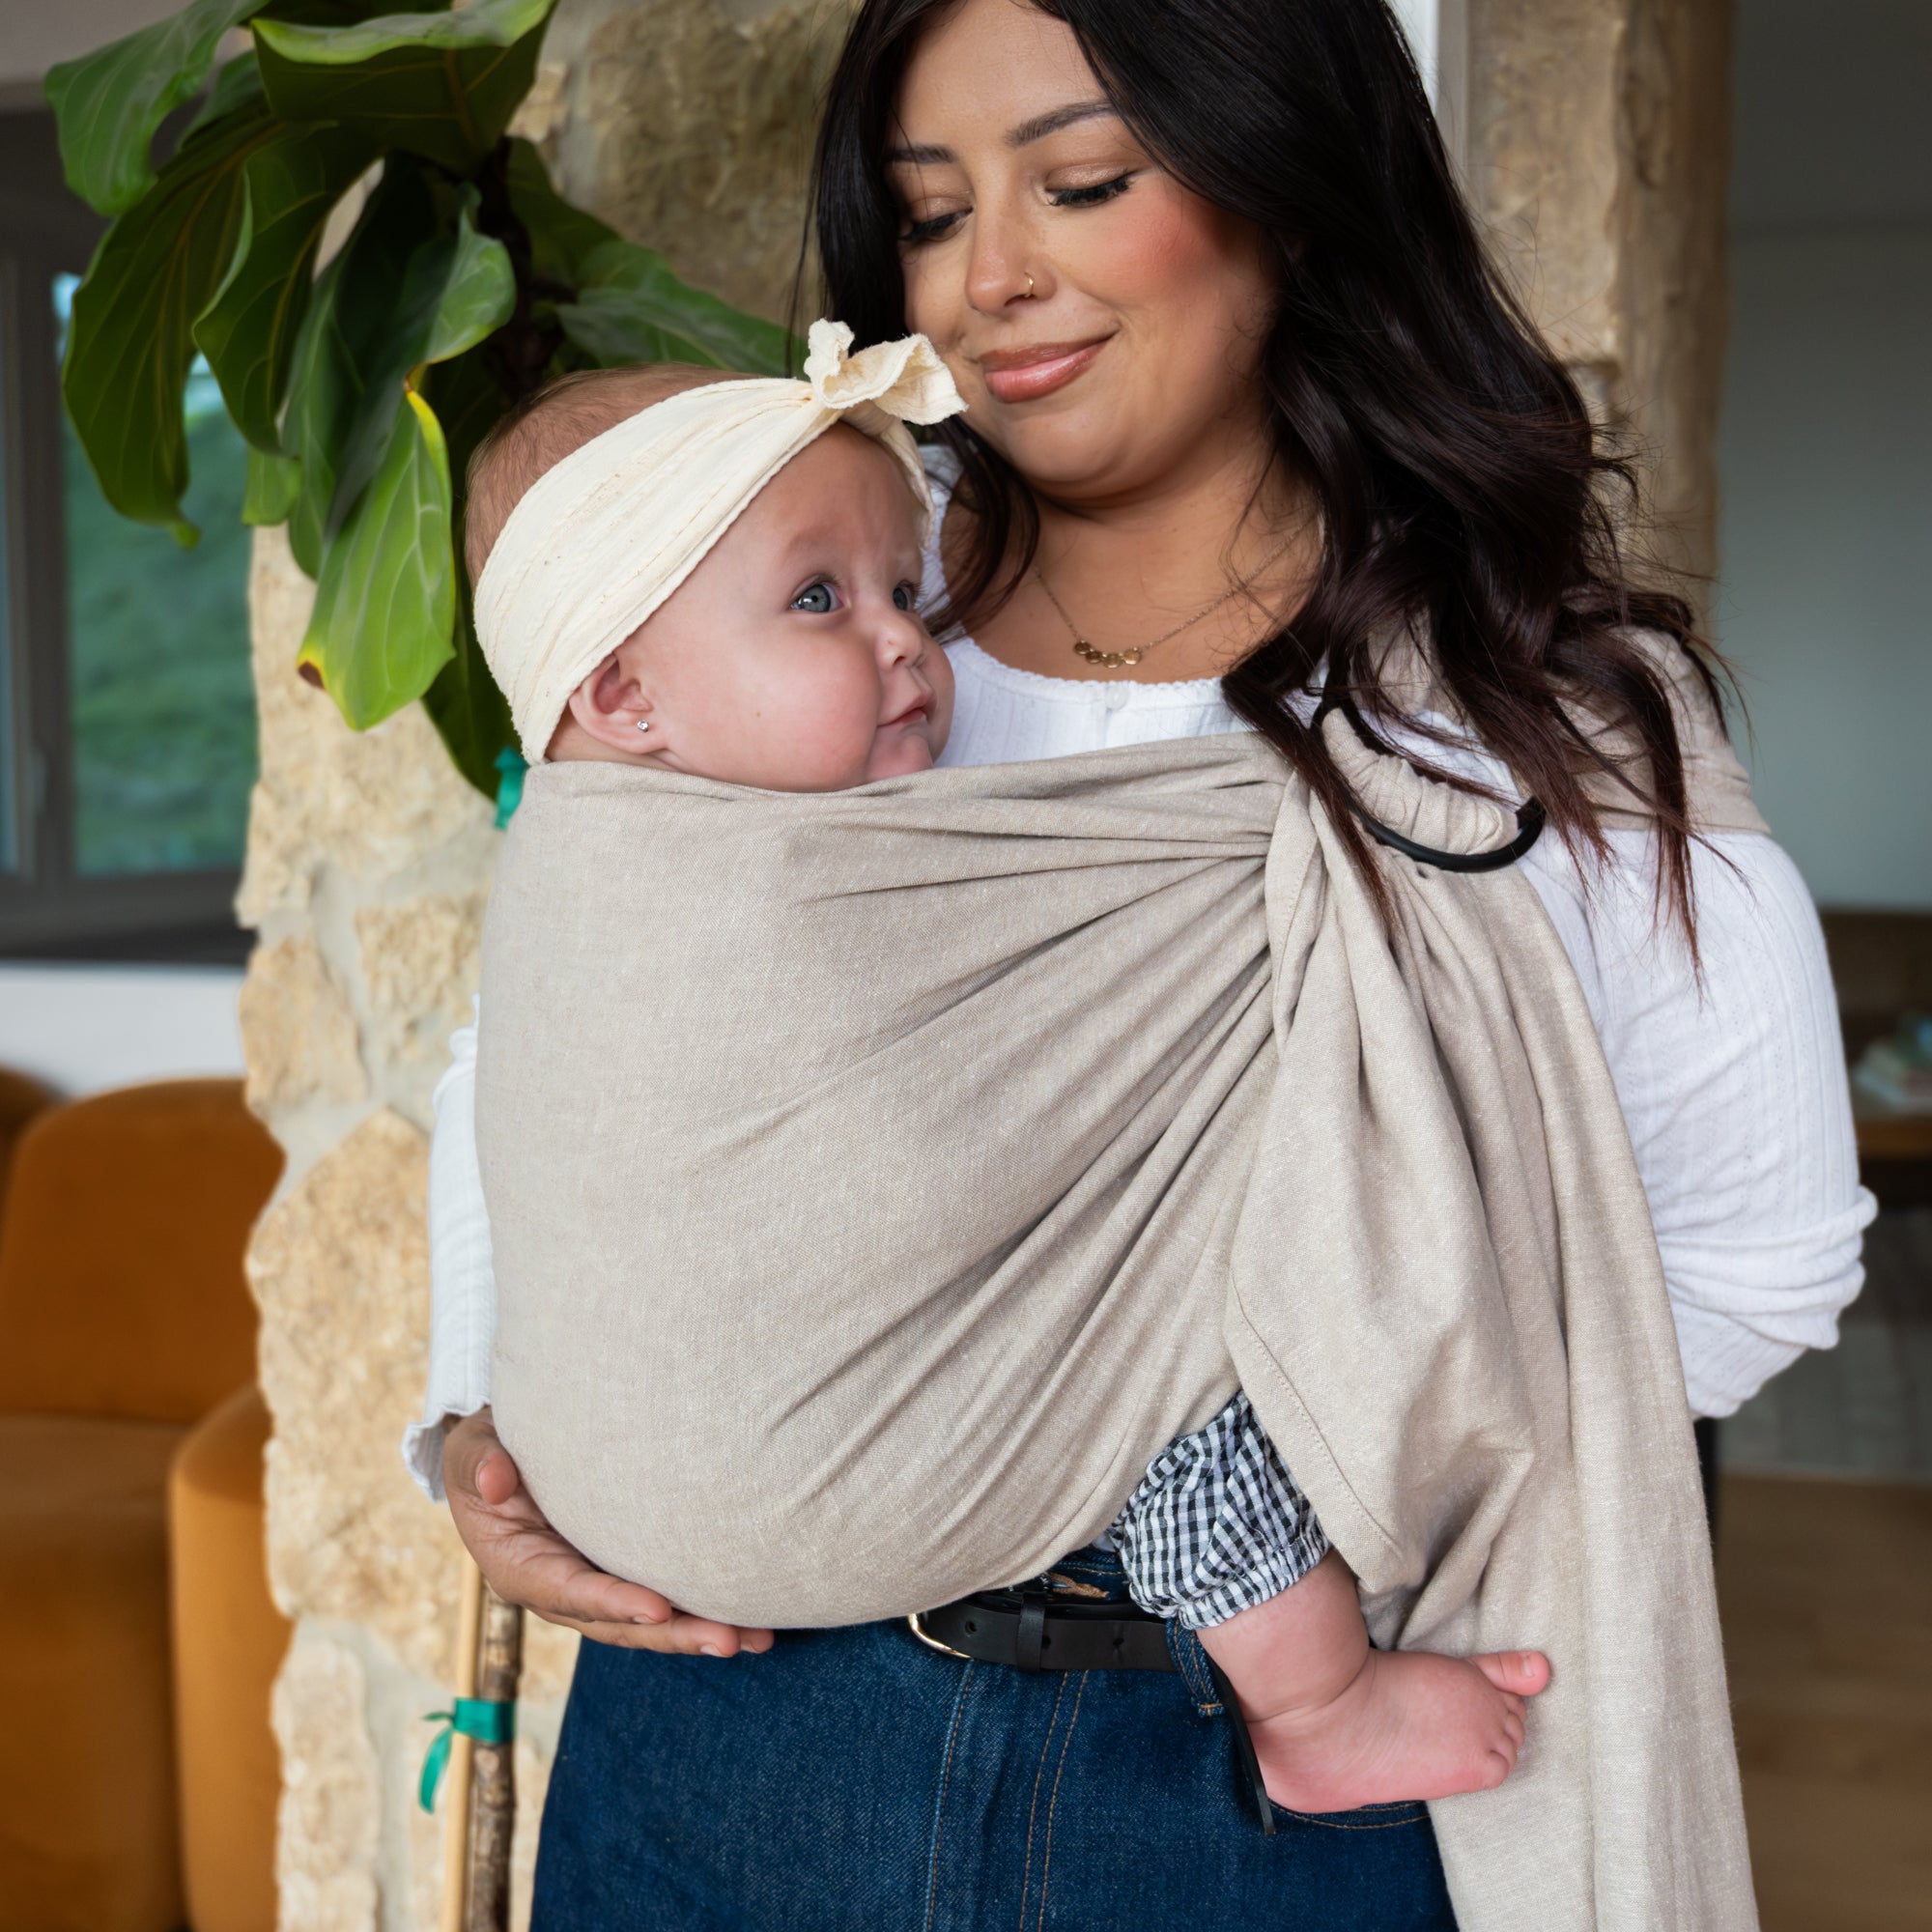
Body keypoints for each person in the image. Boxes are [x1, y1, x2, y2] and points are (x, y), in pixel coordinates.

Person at [410, 2, 1872, 1923]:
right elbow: (565, 1037)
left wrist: (1288, 1433)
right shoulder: (789, 612)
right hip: (740, 1733)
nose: (994, 273)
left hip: (1238, 1763)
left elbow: (1757, 1261)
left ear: (1291, 186)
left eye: (1082, 180)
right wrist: (485, 1429)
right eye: (932, 217)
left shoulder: (1515, 726)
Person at [458, 334, 1554, 1822]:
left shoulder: (615, 859)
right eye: (817, 601)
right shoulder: (655, 886)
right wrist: (456, 1435)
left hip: (665, 1538)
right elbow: (552, 1145)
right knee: (1176, 1370)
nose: (905, 643)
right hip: (695, 1594)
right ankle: (1320, 1701)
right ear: (626, 696)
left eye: (904, 593)